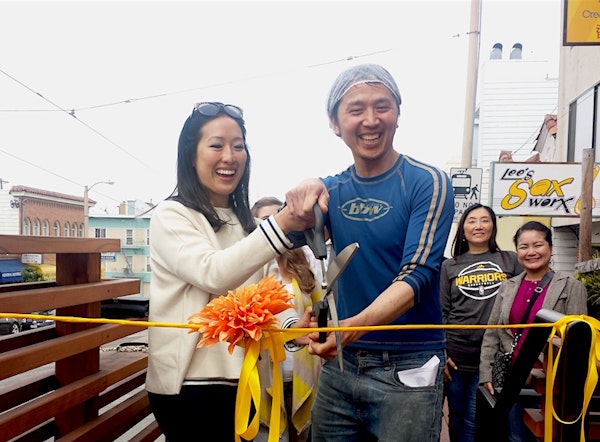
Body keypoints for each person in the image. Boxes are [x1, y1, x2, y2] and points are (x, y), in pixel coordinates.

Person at [284, 63, 455, 441]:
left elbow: (419, 274)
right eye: (356, 109)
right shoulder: (331, 190)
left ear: (398, 114)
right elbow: (279, 236)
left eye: (383, 106)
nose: (371, 120)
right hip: (340, 367)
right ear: (334, 122)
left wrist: (349, 330)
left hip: (408, 366)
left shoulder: (428, 182)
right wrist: (299, 193)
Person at [146, 102, 314, 442]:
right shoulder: (171, 215)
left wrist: (294, 330)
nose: (230, 156)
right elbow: (214, 273)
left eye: (238, 146)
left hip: (247, 380)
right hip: (190, 386)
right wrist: (280, 222)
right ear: (190, 155)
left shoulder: (246, 224)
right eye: (217, 145)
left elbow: (266, 300)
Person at [479, 221, 588, 442]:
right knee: (515, 437)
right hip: (514, 380)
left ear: (550, 248)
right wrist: (485, 374)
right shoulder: (507, 287)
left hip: (552, 383)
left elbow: (579, 342)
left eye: (537, 245)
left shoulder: (570, 286)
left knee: (547, 437)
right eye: (523, 246)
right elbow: (492, 333)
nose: (531, 252)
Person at [440, 204, 523, 442]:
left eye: (485, 220)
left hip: (493, 356)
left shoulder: (511, 260)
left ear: (493, 226)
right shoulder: (450, 265)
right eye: (472, 221)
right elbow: (442, 311)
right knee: (455, 415)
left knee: (474, 417)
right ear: (462, 229)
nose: (478, 226)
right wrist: (442, 351)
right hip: (455, 357)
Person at [252, 196, 323, 442]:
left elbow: (318, 309)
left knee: (302, 435)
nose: (273, 226)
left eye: (277, 218)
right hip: (265, 374)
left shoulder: (304, 263)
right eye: (265, 220)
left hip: (303, 370)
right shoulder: (249, 268)